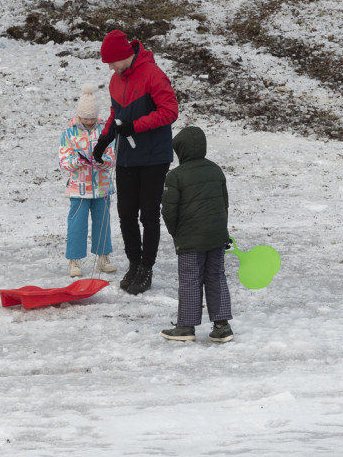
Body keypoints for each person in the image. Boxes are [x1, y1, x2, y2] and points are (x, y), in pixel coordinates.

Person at [92, 30, 178, 295]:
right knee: (126, 214)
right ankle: (134, 263)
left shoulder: (153, 74)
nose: (110, 67)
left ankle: (147, 267)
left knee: (148, 214)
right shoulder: (115, 80)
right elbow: (115, 114)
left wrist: (136, 127)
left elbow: (170, 111)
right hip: (127, 157)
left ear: (124, 55)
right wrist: (104, 140)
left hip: (154, 156)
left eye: (112, 61)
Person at [159, 126, 234, 343]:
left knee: (191, 279)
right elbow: (224, 204)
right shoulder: (216, 170)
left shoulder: (175, 176)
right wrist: (222, 232)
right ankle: (222, 327)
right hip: (216, 236)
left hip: (190, 239)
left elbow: (169, 211)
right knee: (216, 277)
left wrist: (177, 233)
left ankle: (186, 326)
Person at [59, 85, 118, 278]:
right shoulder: (70, 133)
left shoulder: (104, 130)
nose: (90, 122)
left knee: (103, 223)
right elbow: (64, 160)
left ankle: (103, 258)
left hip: (102, 186)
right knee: (77, 224)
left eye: (93, 118)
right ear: (79, 116)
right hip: (78, 188)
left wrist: (104, 161)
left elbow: (112, 154)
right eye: (86, 118)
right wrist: (76, 161)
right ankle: (74, 261)